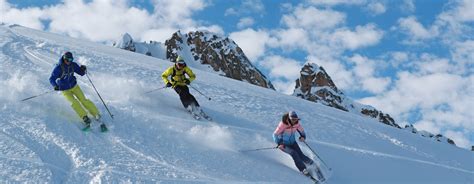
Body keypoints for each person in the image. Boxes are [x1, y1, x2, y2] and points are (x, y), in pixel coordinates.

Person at [49, 51, 100, 127]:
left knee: (83, 100)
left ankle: (96, 113)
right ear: (64, 58)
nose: (69, 62)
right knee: (74, 103)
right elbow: (51, 78)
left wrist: (83, 69)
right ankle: (84, 117)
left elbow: (81, 73)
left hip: (74, 86)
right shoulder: (58, 68)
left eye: (71, 60)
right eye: (67, 60)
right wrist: (55, 85)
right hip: (65, 89)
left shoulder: (73, 65)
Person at [273, 111, 317, 177]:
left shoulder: (297, 124)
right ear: (289, 118)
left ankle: (312, 164)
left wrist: (303, 137)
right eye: (293, 119)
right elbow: (275, 134)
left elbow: (302, 131)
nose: (294, 121)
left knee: (301, 155)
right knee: (294, 153)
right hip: (284, 144)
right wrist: (279, 143)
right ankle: (303, 169)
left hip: (293, 142)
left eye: (296, 119)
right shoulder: (283, 124)